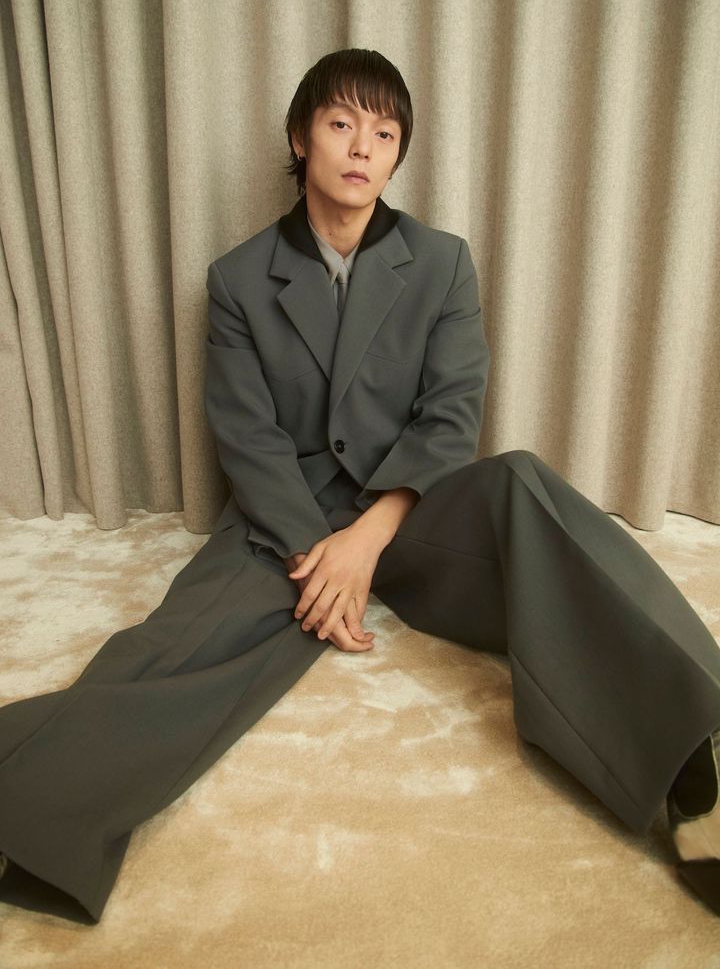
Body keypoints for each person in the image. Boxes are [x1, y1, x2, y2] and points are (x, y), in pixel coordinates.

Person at [0, 48, 718, 924]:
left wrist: (369, 538)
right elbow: (248, 436)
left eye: (384, 133)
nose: (362, 147)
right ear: (300, 138)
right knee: (180, 646)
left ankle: (699, 749)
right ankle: (30, 812)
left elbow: (451, 415)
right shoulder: (238, 277)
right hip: (285, 516)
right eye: (341, 123)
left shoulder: (443, 262)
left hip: (412, 510)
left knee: (527, 488)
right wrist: (319, 556)